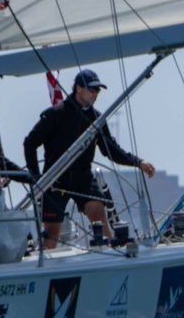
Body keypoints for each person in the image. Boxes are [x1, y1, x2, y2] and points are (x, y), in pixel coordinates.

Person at [24, 69, 156, 249]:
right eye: (91, 89)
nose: (95, 94)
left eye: (97, 91)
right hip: (55, 179)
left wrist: (138, 162)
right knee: (52, 233)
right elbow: (29, 143)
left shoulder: (97, 118)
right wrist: (36, 178)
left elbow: (111, 150)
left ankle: (112, 251)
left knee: (99, 215)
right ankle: (48, 260)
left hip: (83, 177)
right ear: (78, 88)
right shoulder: (56, 114)